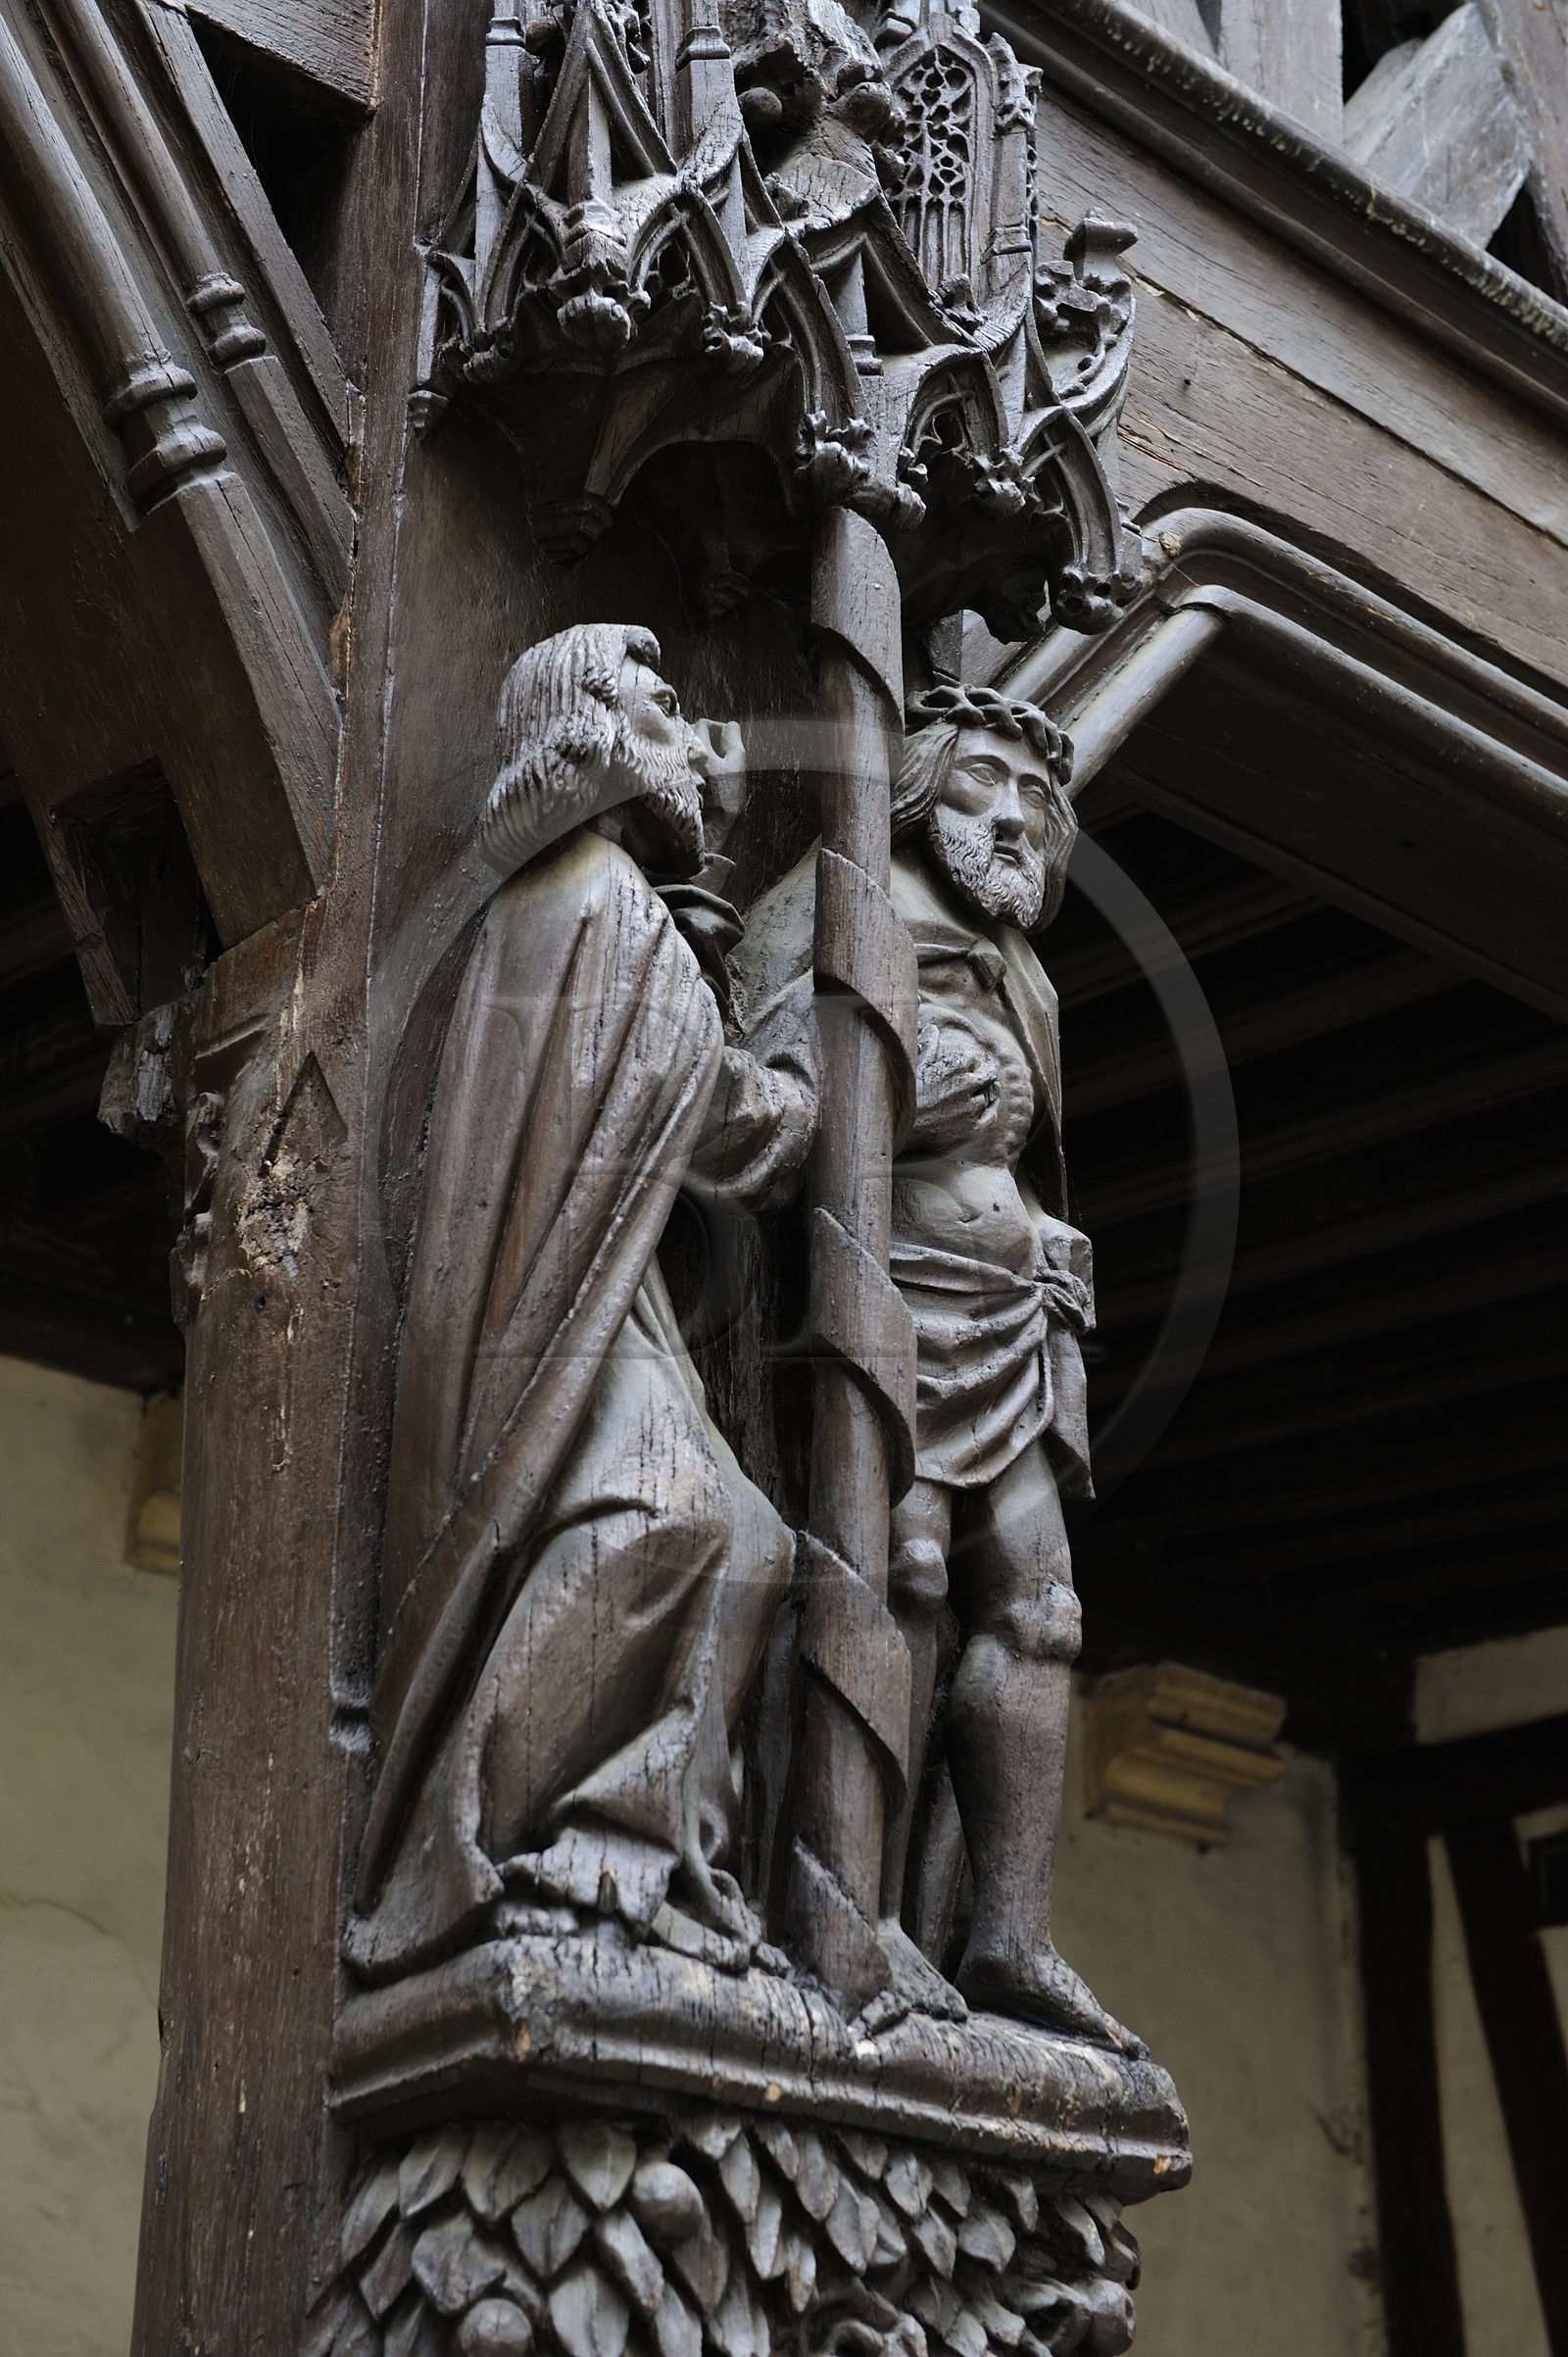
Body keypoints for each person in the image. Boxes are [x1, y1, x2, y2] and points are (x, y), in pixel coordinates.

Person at [347, 624, 810, 1983]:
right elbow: (721, 1122)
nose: (692, 742)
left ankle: (641, 1840)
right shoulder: (593, 890)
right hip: (548, 1320)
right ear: (589, 728)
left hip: (598, 1302)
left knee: (761, 1542)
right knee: (673, 1509)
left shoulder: (597, 890)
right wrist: (821, 1085)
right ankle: (479, 1837)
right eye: (662, 711)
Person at [734, 682, 1138, 2049]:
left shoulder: (1025, 968)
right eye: (983, 788)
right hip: (882, 1296)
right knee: (895, 1579)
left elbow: (1023, 1148)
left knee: (1042, 1610)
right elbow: (758, 1071)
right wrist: (892, 1092)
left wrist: (1049, 1234)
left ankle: (1006, 1934)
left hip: (1010, 1311)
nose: (1013, 819)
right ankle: (858, 1912)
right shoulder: (845, 893)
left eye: (1038, 804)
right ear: (917, 786)